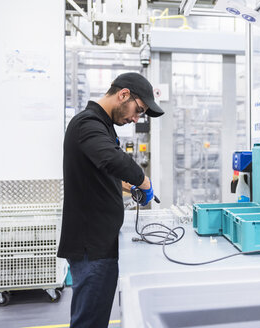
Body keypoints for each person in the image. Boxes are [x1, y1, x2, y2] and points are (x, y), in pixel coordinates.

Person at [57, 72, 164, 328]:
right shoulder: (87, 123)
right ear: (123, 94)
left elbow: (99, 171)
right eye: (137, 110)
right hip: (92, 248)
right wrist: (143, 180)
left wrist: (123, 185)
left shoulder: (101, 126)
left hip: (99, 244)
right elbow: (112, 159)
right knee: (90, 322)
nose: (135, 119)